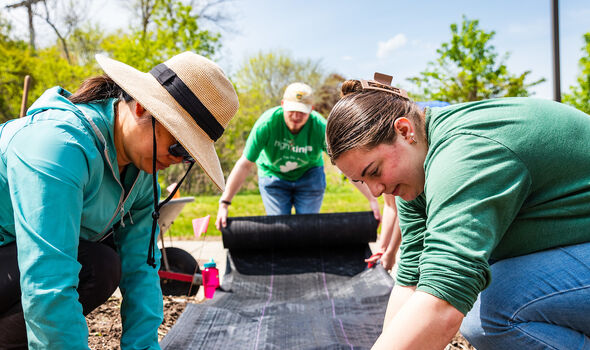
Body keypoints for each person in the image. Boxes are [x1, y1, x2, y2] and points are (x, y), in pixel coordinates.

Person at [325, 73, 590, 350]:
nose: (376, 191)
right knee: (478, 311)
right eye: (361, 181)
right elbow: (410, 282)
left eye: (374, 171)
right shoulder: (416, 173)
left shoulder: (465, 155)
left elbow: (443, 303)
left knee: (499, 310)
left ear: (404, 131)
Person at [0, 52, 239, 349]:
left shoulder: (140, 175)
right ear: (142, 107)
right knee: (86, 267)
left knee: (102, 265)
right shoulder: (57, 148)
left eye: (188, 155)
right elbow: (48, 282)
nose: (178, 160)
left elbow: (141, 269)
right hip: (17, 266)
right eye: (178, 145)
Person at [215, 82, 380, 229]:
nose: (296, 116)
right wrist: (225, 202)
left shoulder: (320, 128)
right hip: (273, 176)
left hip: (309, 177)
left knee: (306, 228)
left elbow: (345, 165)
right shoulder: (266, 124)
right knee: (280, 229)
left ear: (311, 110)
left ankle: (306, 262)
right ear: (282, 105)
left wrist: (372, 199)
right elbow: (245, 164)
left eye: (302, 112)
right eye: (292, 110)